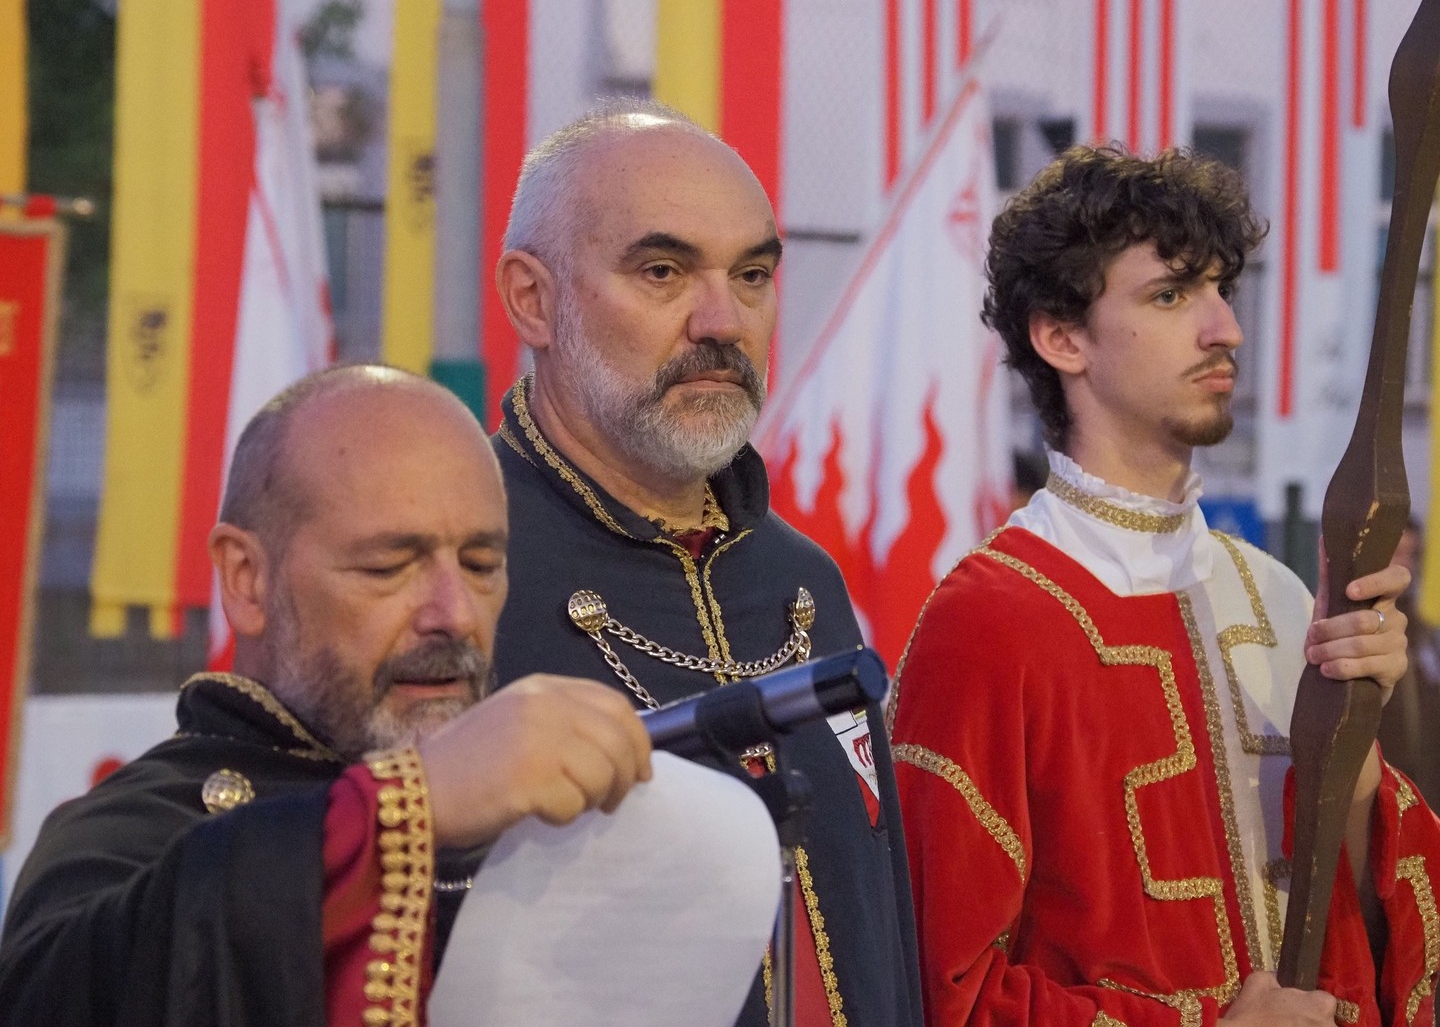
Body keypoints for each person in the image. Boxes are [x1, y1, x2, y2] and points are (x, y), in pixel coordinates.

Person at [888, 146, 1440, 1026]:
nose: (1226, 329)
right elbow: (939, 991)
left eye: (1222, 288)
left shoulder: (1279, 599)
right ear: (1062, 337)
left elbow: (1373, 934)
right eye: (1172, 295)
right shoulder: (985, 624)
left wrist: (1356, 755)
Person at [0, 365, 654, 1026]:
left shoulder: (553, 830)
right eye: (388, 567)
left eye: (481, 565)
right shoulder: (135, 837)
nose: (455, 614)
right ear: (248, 579)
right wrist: (405, 807)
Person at [489, 98, 923, 1027]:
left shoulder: (805, 583)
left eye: (753, 274)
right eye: (663, 271)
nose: (724, 321)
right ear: (533, 298)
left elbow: (882, 930)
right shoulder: (455, 579)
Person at [1377, 518, 1440, 807]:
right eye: (1396, 554)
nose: (1404, 566)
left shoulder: (1425, 632)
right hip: (1382, 789)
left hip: (1427, 789)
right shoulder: (1362, 630)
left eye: (1410, 555)